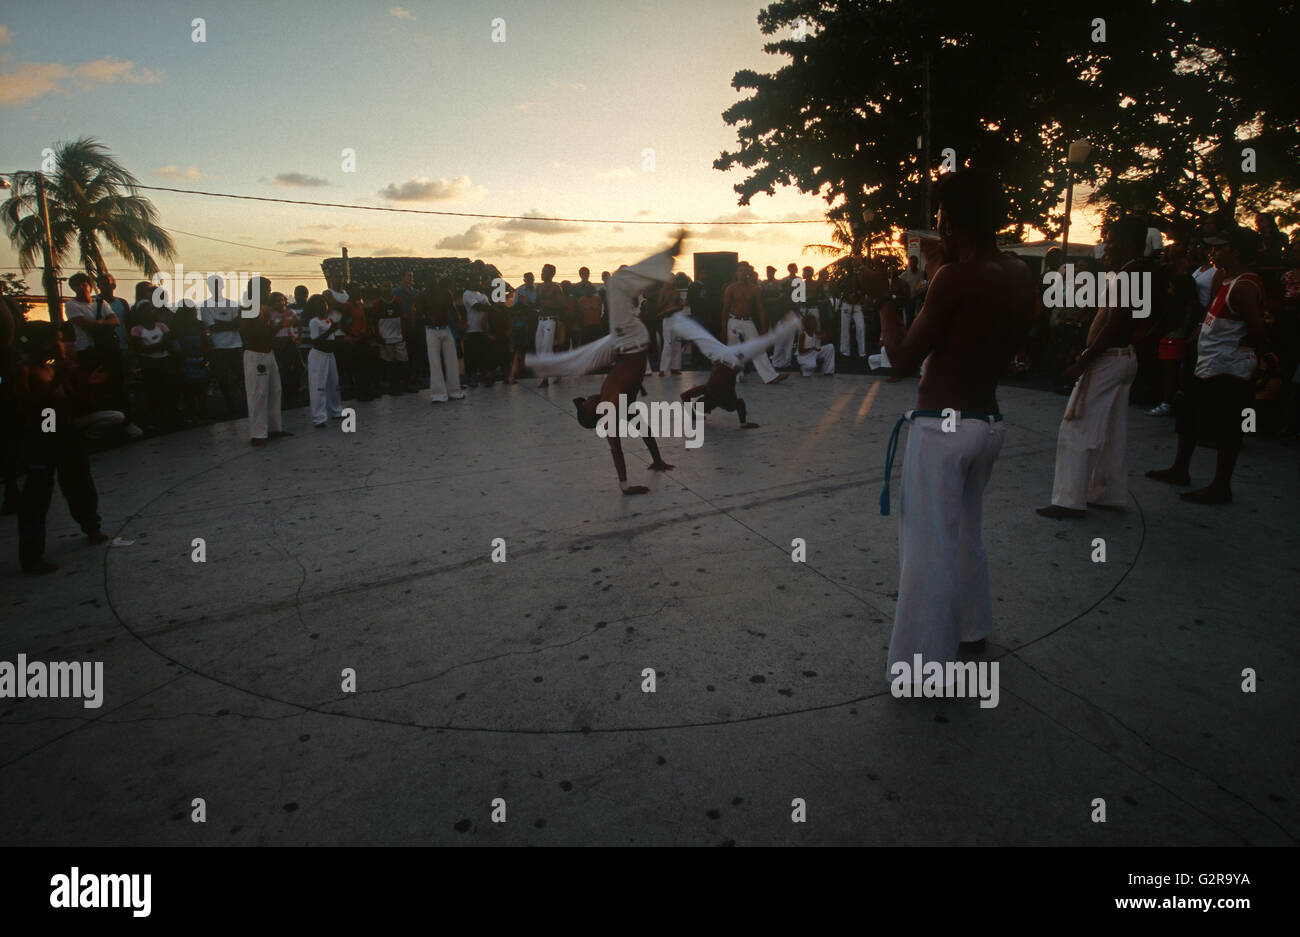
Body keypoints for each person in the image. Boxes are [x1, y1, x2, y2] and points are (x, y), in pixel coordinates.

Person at [877, 168, 1034, 679]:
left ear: (955, 221)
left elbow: (901, 358)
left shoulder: (954, 278)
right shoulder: (1014, 272)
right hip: (986, 422)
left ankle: (922, 667)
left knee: (928, 546)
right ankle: (972, 629)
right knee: (967, 534)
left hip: (942, 428)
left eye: (943, 216)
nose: (939, 226)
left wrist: (884, 298)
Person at [530, 236, 686, 494]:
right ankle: (668, 256)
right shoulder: (612, 410)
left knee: (580, 358)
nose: (587, 399)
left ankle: (656, 460)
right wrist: (625, 485)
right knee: (616, 283)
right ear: (594, 413)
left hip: (626, 345)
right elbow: (616, 449)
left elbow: (628, 386)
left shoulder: (607, 398)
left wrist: (638, 385)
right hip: (632, 340)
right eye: (586, 404)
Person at [1037, 214, 1151, 519]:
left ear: (1127, 242)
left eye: (1111, 240)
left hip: (1109, 358)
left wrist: (1084, 360)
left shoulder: (1130, 272)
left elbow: (1116, 324)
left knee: (1077, 425)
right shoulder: (1140, 271)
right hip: (1123, 356)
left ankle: (1069, 500)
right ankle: (1107, 492)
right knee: (1112, 428)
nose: (1106, 246)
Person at [1146, 227, 1266, 503]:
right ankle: (1180, 469)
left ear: (1235, 251)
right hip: (1208, 363)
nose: (1212, 252)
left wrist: (1241, 352)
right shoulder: (1227, 279)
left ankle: (1221, 486)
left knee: (1226, 429)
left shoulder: (1245, 286)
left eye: (1219, 247)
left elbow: (1257, 330)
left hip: (1227, 368)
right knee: (1188, 418)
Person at [13, 321, 110, 574]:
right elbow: (26, 407)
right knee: (37, 494)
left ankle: (91, 526)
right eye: (58, 339)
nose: (63, 344)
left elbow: (77, 404)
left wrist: (92, 384)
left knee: (79, 480)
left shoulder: (57, 368)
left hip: (66, 432)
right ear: (44, 344)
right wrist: (58, 379)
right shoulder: (25, 371)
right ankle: (32, 556)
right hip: (41, 436)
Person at [241, 283, 291, 446]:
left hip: (268, 353)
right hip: (256, 355)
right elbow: (251, 333)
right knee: (259, 394)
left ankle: (274, 428)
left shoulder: (265, 309)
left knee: (275, 390)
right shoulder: (250, 309)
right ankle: (258, 433)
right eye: (267, 289)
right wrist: (276, 327)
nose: (269, 292)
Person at [723, 263, 786, 384]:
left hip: (748, 321)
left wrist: (763, 329)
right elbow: (725, 310)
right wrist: (723, 330)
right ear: (736, 273)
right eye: (740, 271)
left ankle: (771, 376)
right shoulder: (731, 288)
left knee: (758, 347)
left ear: (749, 273)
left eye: (745, 271)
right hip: (733, 320)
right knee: (733, 349)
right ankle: (735, 375)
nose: (743, 273)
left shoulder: (755, 289)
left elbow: (760, 309)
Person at [128, 299, 177, 432]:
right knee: (153, 392)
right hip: (149, 364)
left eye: (151, 309)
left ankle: (170, 419)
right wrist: (159, 346)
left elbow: (167, 343)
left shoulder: (161, 326)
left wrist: (151, 347)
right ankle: (157, 420)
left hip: (164, 361)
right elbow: (140, 349)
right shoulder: (136, 329)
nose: (150, 311)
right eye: (146, 309)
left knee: (167, 390)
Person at [201, 274, 245, 417]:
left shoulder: (232, 303)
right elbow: (213, 327)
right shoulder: (205, 305)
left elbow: (238, 324)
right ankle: (229, 406)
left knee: (242, 376)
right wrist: (231, 324)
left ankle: (245, 403)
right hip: (218, 347)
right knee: (222, 378)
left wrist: (222, 323)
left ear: (222, 286)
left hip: (236, 346)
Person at [418, 273, 464, 403]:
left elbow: (453, 310)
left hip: (445, 329)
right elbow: (418, 316)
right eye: (430, 279)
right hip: (431, 331)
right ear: (425, 281)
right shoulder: (421, 296)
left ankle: (454, 392)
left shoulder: (445, 293)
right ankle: (438, 394)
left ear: (438, 280)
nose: (433, 281)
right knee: (435, 363)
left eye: (435, 279)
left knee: (452, 361)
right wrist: (427, 319)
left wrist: (459, 322)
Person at [169, 300, 210, 426]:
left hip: (194, 360)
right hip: (189, 361)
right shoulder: (178, 327)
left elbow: (206, 341)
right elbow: (176, 345)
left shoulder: (199, 325)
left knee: (197, 391)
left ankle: (200, 415)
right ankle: (196, 416)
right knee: (193, 391)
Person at [306, 295, 345, 427]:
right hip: (319, 356)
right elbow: (315, 341)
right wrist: (331, 330)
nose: (323, 306)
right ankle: (319, 417)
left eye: (324, 303)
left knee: (334, 385)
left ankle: (336, 410)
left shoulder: (329, 320)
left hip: (330, 355)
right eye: (319, 303)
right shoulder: (314, 322)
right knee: (318, 387)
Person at [370, 283, 408, 395]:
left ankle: (405, 384)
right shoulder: (377, 303)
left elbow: (403, 317)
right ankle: (393, 387)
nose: (387, 288)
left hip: (399, 336)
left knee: (403, 361)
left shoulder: (398, 301)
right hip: (385, 338)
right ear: (381, 288)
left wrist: (403, 333)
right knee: (389, 364)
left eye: (389, 286)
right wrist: (378, 337)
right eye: (385, 286)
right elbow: (374, 321)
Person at [273, 285, 306, 404]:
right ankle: (287, 394)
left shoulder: (290, 312)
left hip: (291, 342)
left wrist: (299, 339)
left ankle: (296, 389)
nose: (281, 302)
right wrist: (280, 325)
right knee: (284, 369)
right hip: (279, 344)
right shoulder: (271, 314)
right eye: (277, 301)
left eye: (282, 300)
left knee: (299, 366)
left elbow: (298, 325)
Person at [535, 264, 565, 387]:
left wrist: (549, 306)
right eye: (542, 271)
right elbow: (537, 303)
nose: (542, 274)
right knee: (539, 348)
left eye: (545, 272)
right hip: (541, 320)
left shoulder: (556, 288)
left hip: (550, 321)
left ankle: (546, 379)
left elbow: (562, 305)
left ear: (551, 274)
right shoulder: (539, 287)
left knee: (546, 349)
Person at [461, 277, 494, 387]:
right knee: (472, 356)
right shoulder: (467, 294)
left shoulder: (482, 295)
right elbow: (477, 306)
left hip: (483, 329)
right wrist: (487, 307)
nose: (477, 282)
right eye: (474, 280)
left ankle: (484, 376)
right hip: (472, 330)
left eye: (479, 280)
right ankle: (471, 377)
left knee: (484, 355)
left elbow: (490, 309)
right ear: (469, 281)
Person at [656, 273, 688, 375]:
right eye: (671, 280)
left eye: (674, 280)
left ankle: (675, 367)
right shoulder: (663, 292)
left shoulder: (676, 292)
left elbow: (680, 305)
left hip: (675, 318)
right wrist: (669, 304)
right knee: (668, 343)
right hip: (667, 319)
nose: (673, 282)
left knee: (677, 343)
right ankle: (663, 369)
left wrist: (681, 304)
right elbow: (659, 306)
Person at [508, 273, 537, 384]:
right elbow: (515, 306)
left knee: (533, 346)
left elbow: (537, 304)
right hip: (522, 323)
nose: (530, 281)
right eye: (528, 279)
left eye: (532, 279)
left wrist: (528, 302)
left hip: (534, 320)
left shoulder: (537, 290)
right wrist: (524, 304)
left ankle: (531, 370)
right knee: (520, 348)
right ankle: (519, 372)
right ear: (524, 280)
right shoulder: (519, 290)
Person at [573, 267, 604, 345]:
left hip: (594, 321)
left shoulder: (593, 287)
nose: (585, 275)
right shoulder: (575, 287)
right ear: (580, 274)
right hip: (582, 319)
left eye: (587, 273)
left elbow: (599, 308)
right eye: (583, 273)